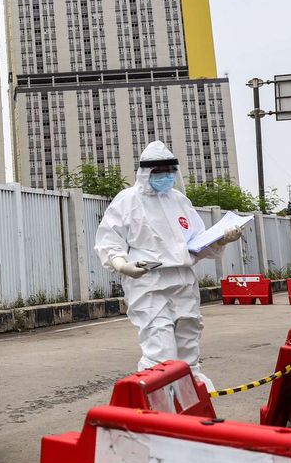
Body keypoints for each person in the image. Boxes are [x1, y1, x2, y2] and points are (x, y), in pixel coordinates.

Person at [94, 140, 243, 390]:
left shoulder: (179, 201)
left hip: (183, 280)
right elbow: (109, 240)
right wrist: (122, 265)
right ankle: (159, 402)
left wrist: (222, 239)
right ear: (145, 172)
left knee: (189, 340)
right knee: (159, 346)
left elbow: (196, 242)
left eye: (168, 170)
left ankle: (190, 393)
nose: (165, 175)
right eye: (158, 170)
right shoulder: (127, 200)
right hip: (149, 282)